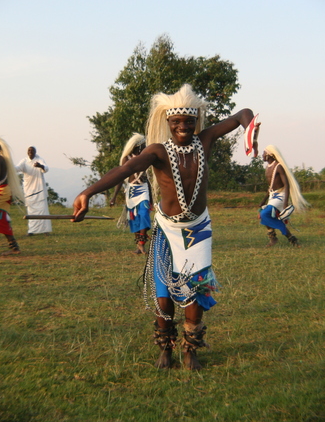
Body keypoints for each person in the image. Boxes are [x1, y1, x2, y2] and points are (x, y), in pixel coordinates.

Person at [72, 84, 257, 371]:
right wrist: (88, 192)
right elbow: (125, 169)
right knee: (163, 295)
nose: (183, 126)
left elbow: (242, 113)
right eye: (177, 121)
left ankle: (190, 349)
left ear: (196, 121)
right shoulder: (158, 151)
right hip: (167, 230)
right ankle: (165, 348)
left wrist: (249, 130)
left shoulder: (205, 141)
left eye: (189, 121)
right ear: (168, 122)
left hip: (198, 228)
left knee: (196, 291)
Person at [109, 133, 153, 255]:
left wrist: (151, 198)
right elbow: (120, 178)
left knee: (144, 214)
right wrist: (114, 197)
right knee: (134, 218)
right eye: (143, 145)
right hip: (132, 190)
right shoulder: (127, 159)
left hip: (144, 189)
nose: (145, 147)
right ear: (137, 146)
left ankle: (142, 243)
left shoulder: (145, 158)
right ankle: (139, 246)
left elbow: (148, 179)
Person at [258, 145, 309, 247]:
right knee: (262, 213)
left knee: (265, 214)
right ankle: (284, 238)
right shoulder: (268, 167)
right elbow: (271, 187)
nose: (262, 155)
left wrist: (285, 203)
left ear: (270, 154)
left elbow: (286, 185)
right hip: (272, 196)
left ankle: (279, 238)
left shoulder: (278, 167)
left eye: (264, 153)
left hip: (280, 196)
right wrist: (264, 200)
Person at [15, 146, 52, 236]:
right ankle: (32, 230)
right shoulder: (24, 161)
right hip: (29, 190)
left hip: (39, 189)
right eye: (29, 150)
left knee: (42, 210)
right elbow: (17, 168)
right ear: (27, 152)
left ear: (35, 152)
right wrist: (7, 163)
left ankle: (45, 230)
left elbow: (46, 169)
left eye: (32, 150)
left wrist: (40, 166)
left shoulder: (39, 159)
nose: (30, 152)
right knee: (31, 211)